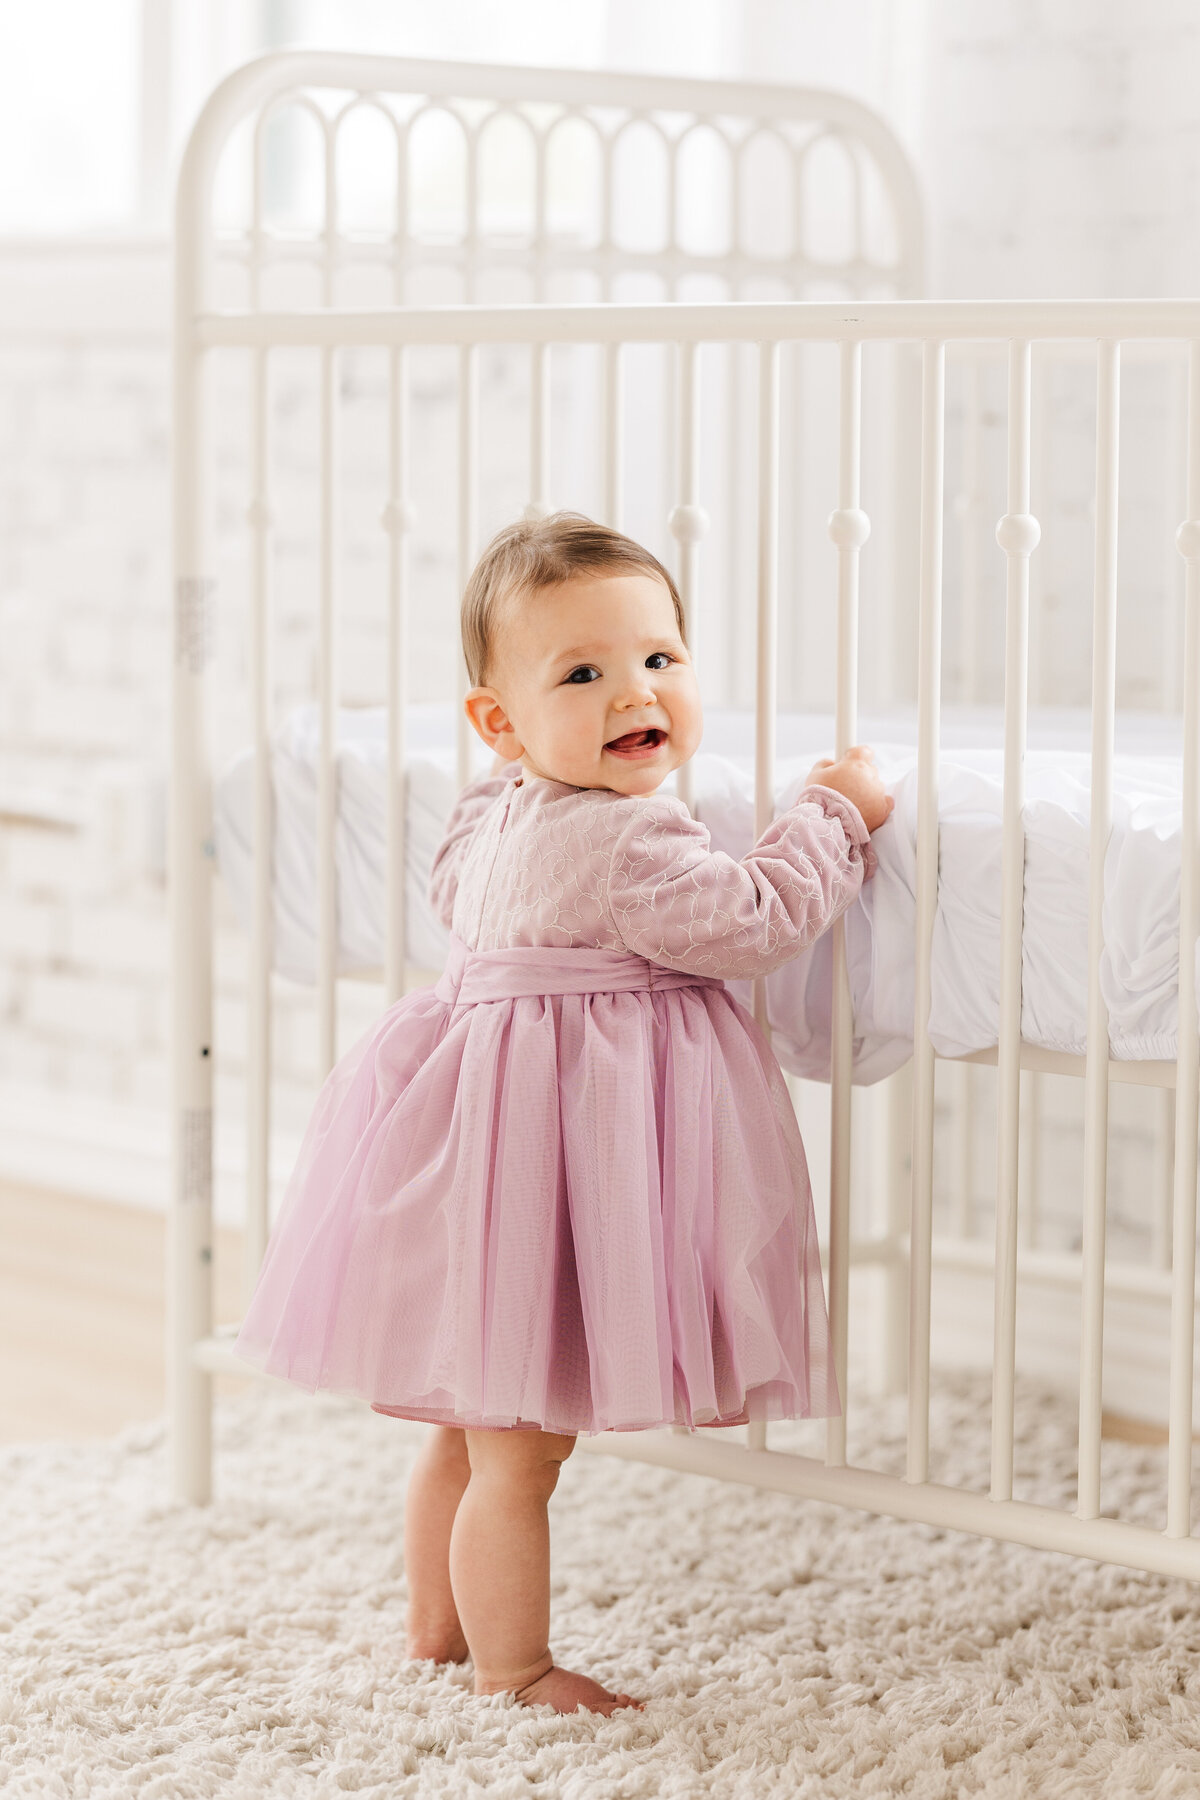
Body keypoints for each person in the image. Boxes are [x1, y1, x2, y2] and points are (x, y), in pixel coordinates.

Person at [234, 512, 893, 1717]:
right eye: (582, 674)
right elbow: (754, 918)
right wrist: (833, 813)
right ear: (500, 720)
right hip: (555, 1157)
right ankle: (515, 1665)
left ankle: (437, 1630)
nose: (634, 692)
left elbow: (454, 896)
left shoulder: (493, 812)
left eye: (659, 660)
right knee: (522, 1454)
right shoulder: (636, 837)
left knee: (469, 1422)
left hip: (474, 1136)